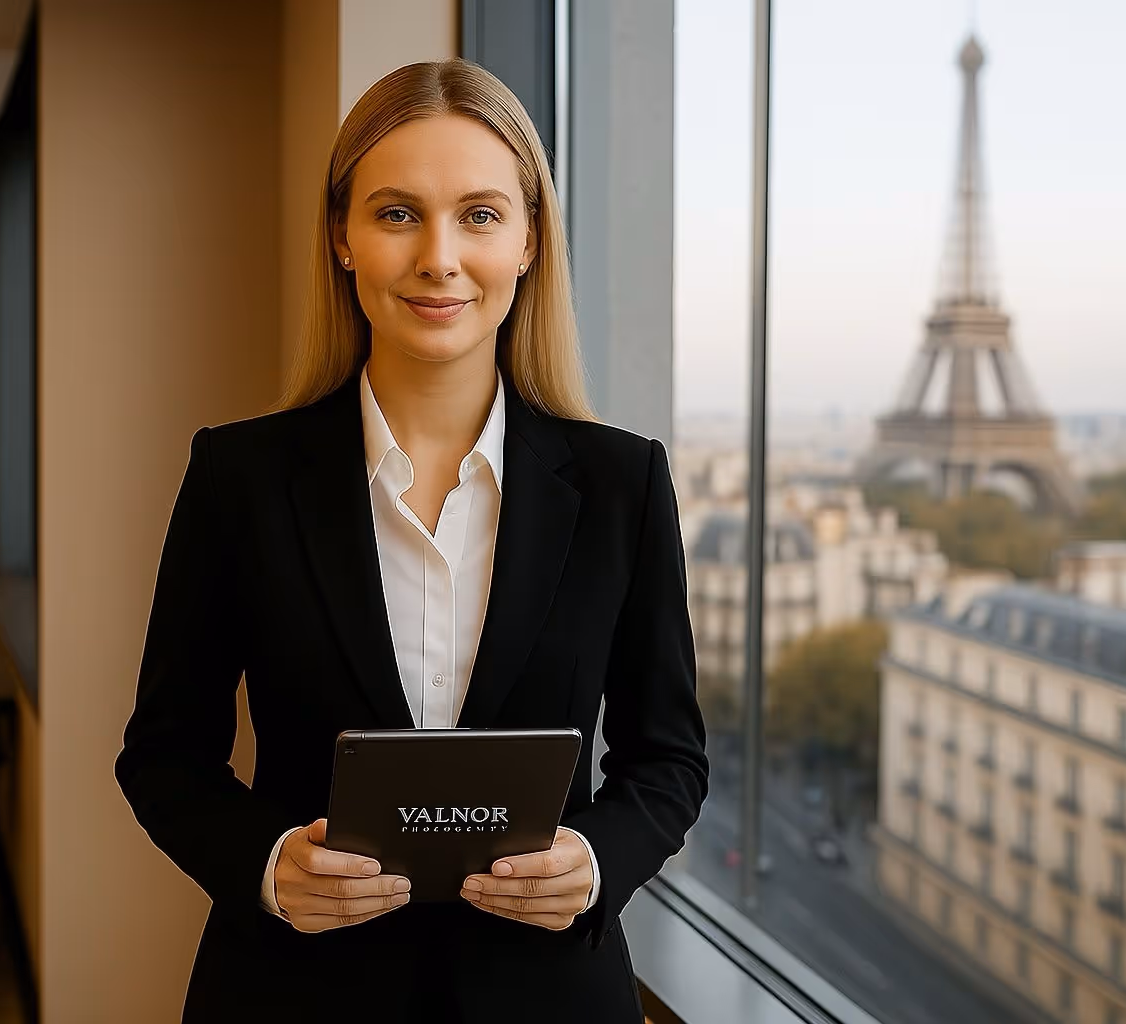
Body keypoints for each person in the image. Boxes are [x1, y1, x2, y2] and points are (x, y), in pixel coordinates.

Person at [115, 57, 708, 1023]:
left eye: (480, 215)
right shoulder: (240, 478)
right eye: (397, 214)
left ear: (527, 243)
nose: (440, 257)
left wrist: (595, 863)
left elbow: (669, 759)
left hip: (547, 998)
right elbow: (164, 756)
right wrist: (269, 867)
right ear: (343, 240)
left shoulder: (622, 484)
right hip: (293, 994)